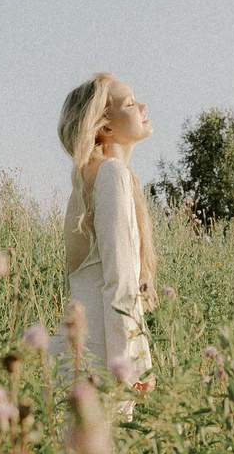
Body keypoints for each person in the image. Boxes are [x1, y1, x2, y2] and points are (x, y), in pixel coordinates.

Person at [51, 72, 158, 412]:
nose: (143, 106)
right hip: (100, 361)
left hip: (77, 355)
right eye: (129, 103)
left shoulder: (85, 183)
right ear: (105, 128)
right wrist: (136, 364)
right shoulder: (111, 175)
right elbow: (120, 281)